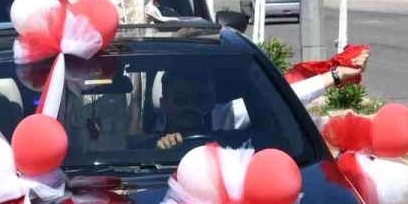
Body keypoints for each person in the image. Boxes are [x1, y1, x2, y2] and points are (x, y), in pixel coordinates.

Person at [151, 55, 370, 151]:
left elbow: (286, 98)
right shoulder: (141, 137)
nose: (190, 107)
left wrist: (337, 74)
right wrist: (160, 148)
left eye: (197, 100)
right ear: (163, 102)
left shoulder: (225, 116)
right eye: (181, 101)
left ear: (209, 101)